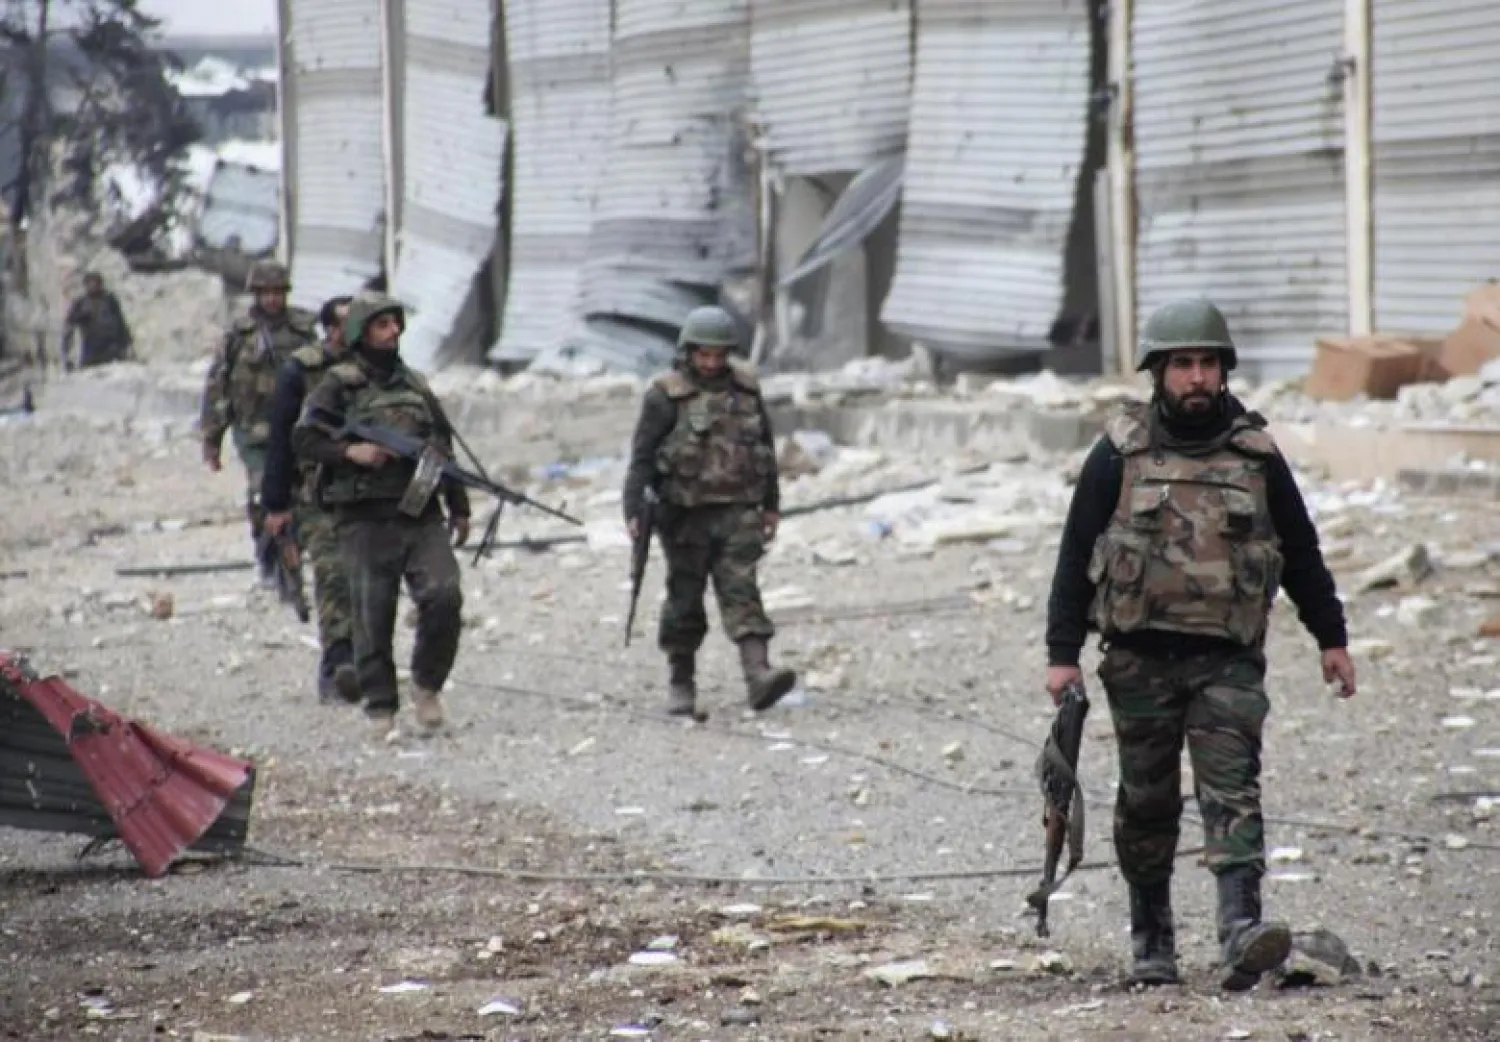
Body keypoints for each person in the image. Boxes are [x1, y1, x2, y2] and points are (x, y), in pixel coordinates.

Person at [1043, 298, 1357, 991]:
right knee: (1147, 803)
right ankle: (1152, 941)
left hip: (1227, 660)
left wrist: (1331, 638)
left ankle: (1241, 932)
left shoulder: (1257, 455)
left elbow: (1301, 552)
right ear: (1159, 371)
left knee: (1233, 794)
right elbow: (1074, 556)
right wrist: (1061, 655)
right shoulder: (1117, 453)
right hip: (1139, 660)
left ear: (1223, 371)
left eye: (1207, 363)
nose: (1195, 377)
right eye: (1182, 363)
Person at [291, 292, 470, 741]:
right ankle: (381, 706)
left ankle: (427, 685)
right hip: (364, 517)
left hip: (419, 511)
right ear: (362, 332)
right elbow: (305, 439)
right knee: (373, 613)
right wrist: (352, 451)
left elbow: (443, 449)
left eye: (395, 324)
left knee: (445, 595)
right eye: (381, 325)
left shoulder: (415, 385)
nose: (392, 332)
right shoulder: (338, 384)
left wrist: (460, 505)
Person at [622, 305, 796, 719]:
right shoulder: (665, 395)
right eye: (704, 354)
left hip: (739, 511)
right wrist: (632, 509)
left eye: (719, 355)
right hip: (684, 515)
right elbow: (642, 457)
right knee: (685, 598)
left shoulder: (747, 390)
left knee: (742, 590)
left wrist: (771, 506)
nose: (712, 363)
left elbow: (765, 452)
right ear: (689, 352)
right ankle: (681, 683)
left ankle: (758, 674)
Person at [261, 294, 358, 704]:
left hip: (372, 492)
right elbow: (281, 439)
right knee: (334, 573)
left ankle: (367, 663)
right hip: (316, 490)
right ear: (332, 330)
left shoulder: (383, 368)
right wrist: (276, 503)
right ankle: (337, 668)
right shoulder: (301, 370)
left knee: (371, 579)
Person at [200, 260, 320, 582]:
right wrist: (212, 437)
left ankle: (295, 555)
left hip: (299, 431)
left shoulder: (304, 331)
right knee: (261, 495)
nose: (271, 300)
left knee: (304, 496)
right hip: (256, 434)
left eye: (277, 292)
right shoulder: (240, 335)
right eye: (265, 293)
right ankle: (267, 557)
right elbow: (218, 386)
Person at [62, 271, 133, 369]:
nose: (92, 286)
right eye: (89, 283)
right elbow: (69, 328)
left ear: (101, 284)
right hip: (91, 352)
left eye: (95, 283)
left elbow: (121, 323)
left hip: (112, 350)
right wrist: (68, 356)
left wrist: (128, 345)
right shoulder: (81, 303)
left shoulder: (109, 300)